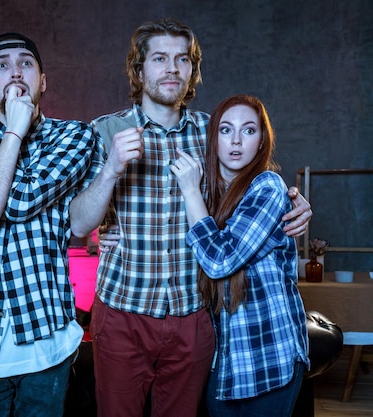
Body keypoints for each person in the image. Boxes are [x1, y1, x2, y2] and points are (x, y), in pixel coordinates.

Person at [68, 18, 313, 417]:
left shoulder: (211, 133)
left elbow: (255, 185)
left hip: (193, 315)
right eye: (160, 58)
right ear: (139, 68)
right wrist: (111, 170)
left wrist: (294, 201)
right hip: (122, 310)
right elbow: (79, 224)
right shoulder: (105, 130)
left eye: (182, 59)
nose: (172, 69)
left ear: (192, 70)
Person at [0, 33, 95, 417]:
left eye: (26, 63)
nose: (15, 72)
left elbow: (19, 200)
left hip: (48, 343)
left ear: (42, 80)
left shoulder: (73, 136)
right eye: (2, 65)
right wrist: (11, 131)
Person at [170, 93, 309, 416]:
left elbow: (220, 260)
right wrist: (111, 231)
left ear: (261, 142)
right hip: (225, 365)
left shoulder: (268, 186)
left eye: (248, 131)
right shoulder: (209, 195)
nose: (235, 141)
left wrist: (189, 190)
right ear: (213, 138)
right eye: (225, 130)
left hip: (268, 358)